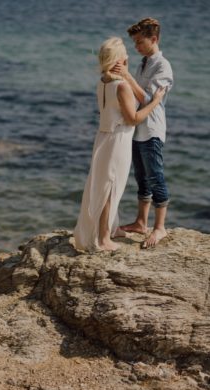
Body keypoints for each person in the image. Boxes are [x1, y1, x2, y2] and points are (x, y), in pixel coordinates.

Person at [74, 37, 166, 252]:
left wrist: (126, 74)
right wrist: (155, 101)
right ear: (118, 58)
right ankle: (104, 239)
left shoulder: (103, 80)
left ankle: (110, 228)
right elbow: (133, 118)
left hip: (104, 137)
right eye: (125, 52)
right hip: (118, 139)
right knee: (111, 187)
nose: (128, 55)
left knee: (106, 184)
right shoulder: (121, 86)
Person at [112, 18, 173, 248]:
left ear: (154, 39)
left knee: (155, 176)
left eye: (139, 42)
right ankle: (140, 222)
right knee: (141, 178)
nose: (136, 46)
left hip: (153, 130)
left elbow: (150, 101)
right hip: (136, 129)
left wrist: (127, 76)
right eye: (134, 42)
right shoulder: (143, 63)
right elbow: (134, 96)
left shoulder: (163, 66)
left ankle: (160, 228)